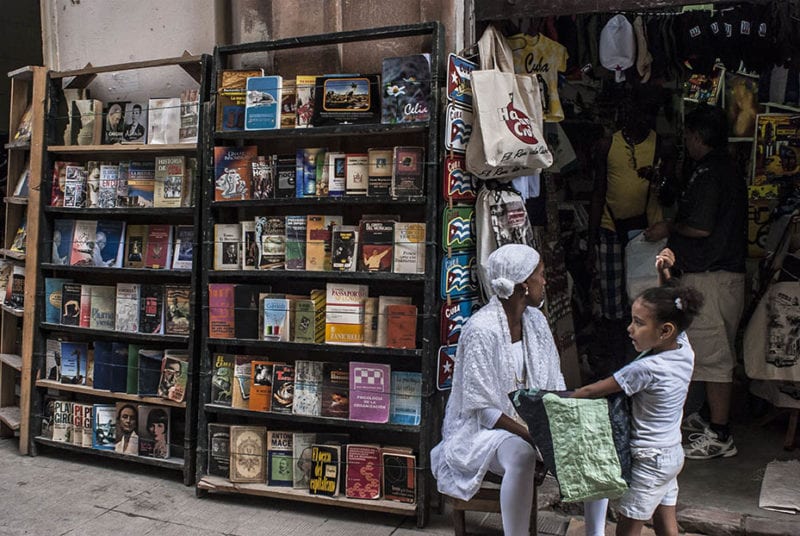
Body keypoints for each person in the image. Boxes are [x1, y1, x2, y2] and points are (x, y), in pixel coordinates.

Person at [431, 244, 608, 536]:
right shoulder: (480, 330)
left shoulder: (536, 320)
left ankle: (596, 533)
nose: (545, 281)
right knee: (521, 454)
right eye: (540, 275)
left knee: (593, 439)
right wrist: (534, 433)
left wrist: (561, 422)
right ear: (523, 285)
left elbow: (553, 383)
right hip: (484, 430)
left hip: (534, 418)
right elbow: (483, 410)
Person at [571, 248, 704, 536]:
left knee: (628, 527)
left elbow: (594, 390)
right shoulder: (683, 349)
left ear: (665, 330)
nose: (630, 329)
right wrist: (664, 275)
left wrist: (557, 397)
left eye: (639, 323)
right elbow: (669, 309)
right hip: (670, 454)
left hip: (649, 461)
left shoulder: (645, 369)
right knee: (666, 524)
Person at [645, 104, 746, 459]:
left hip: (713, 277)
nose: (685, 140)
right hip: (719, 276)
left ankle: (721, 434)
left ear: (698, 136)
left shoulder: (711, 173)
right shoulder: (719, 169)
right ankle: (708, 416)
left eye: (688, 134)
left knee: (715, 356)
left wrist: (668, 228)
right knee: (708, 348)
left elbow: (701, 227)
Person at [587, 94, 675, 379]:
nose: (635, 117)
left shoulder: (660, 145)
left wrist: (659, 178)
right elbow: (598, 191)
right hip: (611, 228)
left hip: (645, 233)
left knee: (643, 295)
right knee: (612, 300)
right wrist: (591, 240)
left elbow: (671, 191)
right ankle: (617, 360)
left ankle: (640, 354)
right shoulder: (608, 145)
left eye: (641, 112)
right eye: (629, 111)